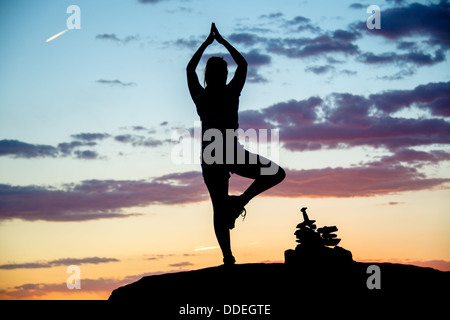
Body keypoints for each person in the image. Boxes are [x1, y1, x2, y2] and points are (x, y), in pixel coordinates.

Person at [187, 23, 286, 265]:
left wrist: (207, 43)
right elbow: (243, 65)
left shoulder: (200, 95)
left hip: (213, 155)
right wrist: (222, 41)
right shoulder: (231, 92)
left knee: (219, 207)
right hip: (228, 153)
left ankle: (228, 256)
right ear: (223, 75)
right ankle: (238, 207)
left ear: (207, 75)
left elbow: (190, 68)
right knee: (275, 174)